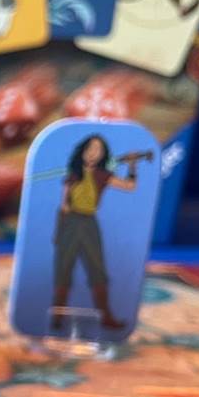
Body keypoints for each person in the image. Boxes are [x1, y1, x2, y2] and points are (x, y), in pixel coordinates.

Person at [51, 134, 137, 331]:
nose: (93, 153)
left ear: (102, 154)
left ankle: (106, 316)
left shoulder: (103, 175)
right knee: (63, 269)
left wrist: (132, 166)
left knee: (97, 269)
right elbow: (63, 206)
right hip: (70, 223)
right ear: (82, 151)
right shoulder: (73, 175)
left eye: (98, 150)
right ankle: (57, 316)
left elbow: (130, 186)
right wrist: (58, 232)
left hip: (89, 223)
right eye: (90, 148)